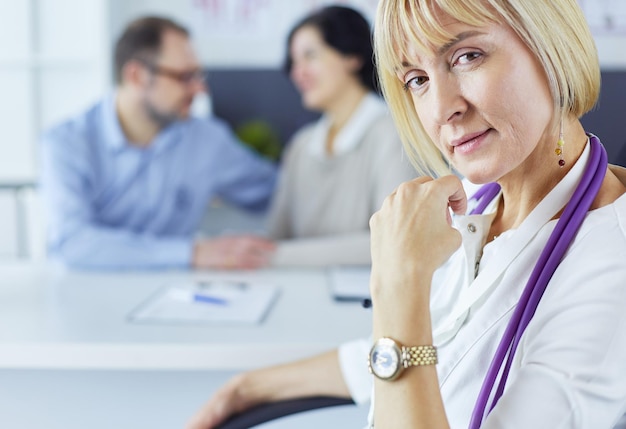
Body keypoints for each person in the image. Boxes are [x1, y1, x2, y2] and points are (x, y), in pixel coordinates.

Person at [187, 0, 626, 428]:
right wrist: (247, 386)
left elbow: (405, 345)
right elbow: (432, 346)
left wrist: (399, 280)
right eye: (416, 79)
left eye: (467, 56)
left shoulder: (610, 264)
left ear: (553, 48)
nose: (440, 110)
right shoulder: (481, 200)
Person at [40, 16, 277, 270]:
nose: (200, 89)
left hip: (176, 297)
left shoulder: (207, 141)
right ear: (136, 76)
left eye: (198, 75)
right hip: (83, 297)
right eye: (185, 76)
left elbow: (277, 193)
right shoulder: (67, 142)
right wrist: (192, 253)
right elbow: (73, 242)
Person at [265, 5, 417, 266]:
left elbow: (393, 241)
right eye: (294, 62)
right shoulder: (301, 145)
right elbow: (275, 237)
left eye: (310, 56)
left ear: (352, 56)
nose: (297, 72)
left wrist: (271, 257)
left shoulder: (392, 134)